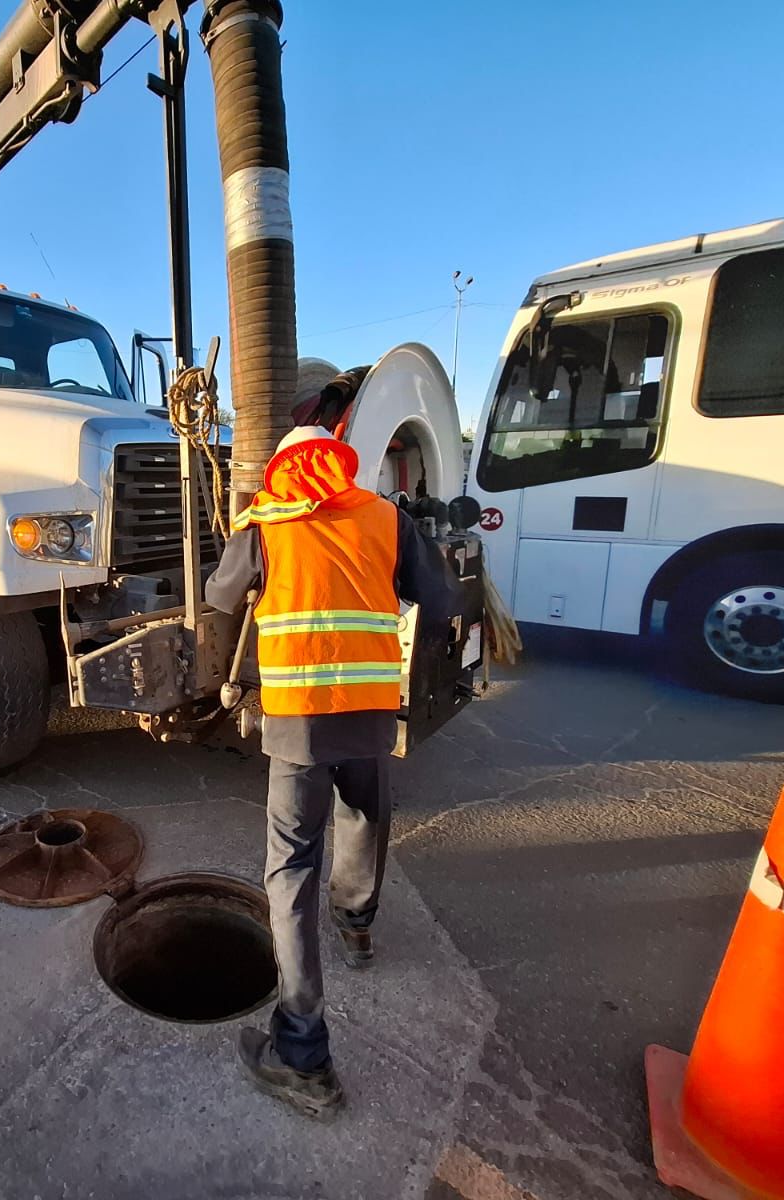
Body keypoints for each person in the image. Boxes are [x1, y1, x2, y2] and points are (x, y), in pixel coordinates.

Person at [205, 422, 456, 1119]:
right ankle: (358, 928)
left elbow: (222, 600)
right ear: (339, 464)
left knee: (289, 872)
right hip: (371, 715)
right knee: (364, 822)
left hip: (297, 727)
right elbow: (439, 601)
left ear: (285, 468)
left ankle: (304, 1055)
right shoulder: (386, 517)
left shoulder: (263, 522)